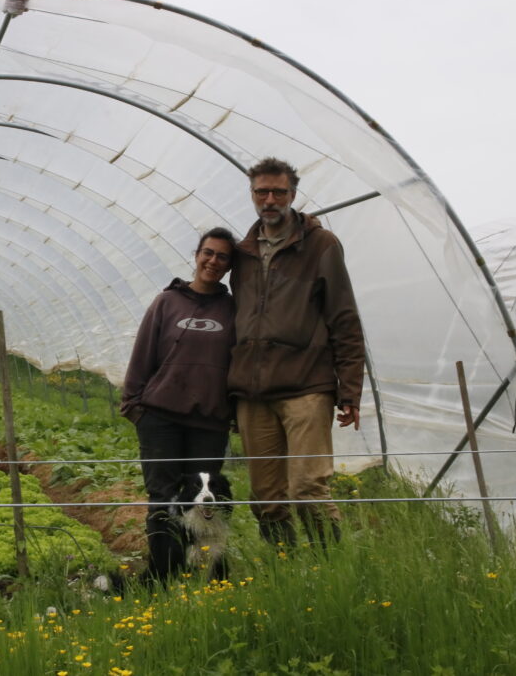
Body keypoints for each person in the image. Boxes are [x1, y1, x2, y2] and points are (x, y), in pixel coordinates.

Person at [228, 157, 365, 549]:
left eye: (279, 192)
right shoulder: (243, 252)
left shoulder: (321, 245)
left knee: (308, 488)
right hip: (254, 392)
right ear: (252, 194)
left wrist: (350, 390)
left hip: (306, 385)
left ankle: (330, 566)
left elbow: (344, 318)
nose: (270, 200)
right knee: (265, 497)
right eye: (262, 192)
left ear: (293, 194)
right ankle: (284, 566)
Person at [121, 227, 237, 581]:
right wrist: (135, 406)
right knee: (162, 498)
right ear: (196, 255)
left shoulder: (232, 309)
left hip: (209, 422)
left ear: (230, 265)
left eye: (222, 257)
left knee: (205, 498)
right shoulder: (167, 302)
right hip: (161, 419)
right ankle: (162, 576)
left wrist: (233, 412)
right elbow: (143, 354)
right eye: (208, 253)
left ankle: (204, 572)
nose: (213, 261)